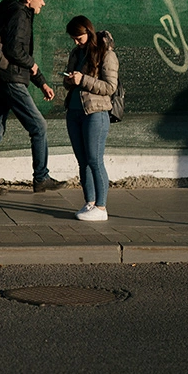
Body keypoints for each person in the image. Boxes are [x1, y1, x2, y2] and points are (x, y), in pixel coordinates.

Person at [0, 0, 64, 194]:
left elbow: (17, 53)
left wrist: (40, 81)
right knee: (39, 126)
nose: (44, 2)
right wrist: (34, 66)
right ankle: (41, 177)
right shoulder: (20, 15)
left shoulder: (13, 13)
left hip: (2, 78)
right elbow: (15, 51)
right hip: (11, 79)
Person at [62, 16, 119, 222]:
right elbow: (70, 80)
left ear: (88, 31)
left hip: (96, 112)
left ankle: (102, 207)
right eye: (73, 39)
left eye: (79, 37)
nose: (76, 42)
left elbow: (110, 87)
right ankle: (90, 202)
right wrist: (69, 80)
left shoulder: (106, 54)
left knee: (95, 160)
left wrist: (83, 80)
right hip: (75, 111)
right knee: (83, 161)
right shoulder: (76, 53)